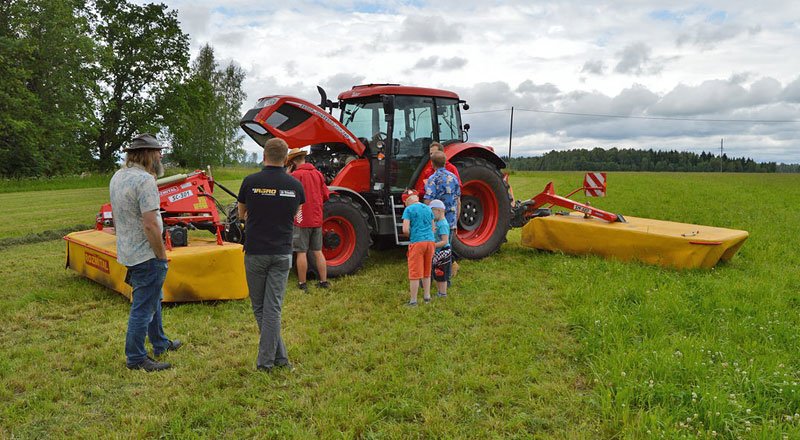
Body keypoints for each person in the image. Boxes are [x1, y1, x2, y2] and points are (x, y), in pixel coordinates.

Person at [109, 133, 182, 372]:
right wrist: (161, 255)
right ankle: (136, 358)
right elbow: (150, 224)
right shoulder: (145, 181)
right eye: (158, 152)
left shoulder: (118, 176)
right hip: (146, 254)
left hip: (128, 250)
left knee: (154, 299)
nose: (161, 156)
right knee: (143, 307)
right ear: (149, 154)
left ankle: (160, 342)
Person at [237, 138, 305, 372]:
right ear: (286, 159)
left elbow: (241, 214)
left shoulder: (250, 182)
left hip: (255, 251)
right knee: (272, 308)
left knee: (261, 308)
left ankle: (265, 363)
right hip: (282, 252)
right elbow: (297, 214)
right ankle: (281, 358)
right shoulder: (295, 185)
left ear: (264, 156)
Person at [287, 147, 330, 291]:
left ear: (292, 162)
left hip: (301, 219)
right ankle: (323, 282)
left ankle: (302, 283)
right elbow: (326, 195)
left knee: (301, 252)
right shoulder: (318, 174)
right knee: (318, 251)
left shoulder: (294, 176)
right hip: (317, 219)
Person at [424, 150, 461, 277]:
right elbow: (457, 200)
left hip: (436, 220)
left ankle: (433, 275)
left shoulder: (432, 179)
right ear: (445, 162)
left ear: (432, 164)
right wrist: (456, 220)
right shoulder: (454, 178)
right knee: (446, 248)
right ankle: (446, 276)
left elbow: (428, 201)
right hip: (450, 220)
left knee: (434, 248)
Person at [401, 190, 435, 306]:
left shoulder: (408, 210)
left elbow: (405, 229)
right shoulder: (428, 208)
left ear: (406, 201)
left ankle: (413, 301)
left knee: (415, 273)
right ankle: (427, 297)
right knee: (427, 270)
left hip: (417, 242)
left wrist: (410, 235)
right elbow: (433, 227)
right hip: (430, 242)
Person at [429, 199, 452, 297]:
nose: (431, 215)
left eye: (432, 212)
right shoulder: (437, 222)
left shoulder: (443, 224)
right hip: (438, 252)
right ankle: (440, 291)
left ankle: (443, 293)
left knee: (441, 274)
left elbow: (445, 241)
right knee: (437, 273)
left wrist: (432, 245)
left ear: (439, 211)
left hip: (443, 253)